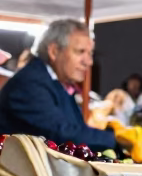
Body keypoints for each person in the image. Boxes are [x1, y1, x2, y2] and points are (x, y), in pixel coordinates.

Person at [0, 19, 116, 149]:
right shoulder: (29, 83)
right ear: (54, 51)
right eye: (80, 51)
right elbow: (62, 134)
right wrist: (114, 138)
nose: (88, 62)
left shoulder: (57, 83)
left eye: (90, 53)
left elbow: (75, 128)